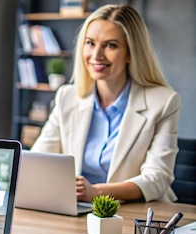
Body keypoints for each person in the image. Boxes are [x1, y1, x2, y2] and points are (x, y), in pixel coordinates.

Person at [31, 4, 180, 203]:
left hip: (135, 214)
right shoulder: (67, 97)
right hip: (76, 210)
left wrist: (97, 192)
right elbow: (38, 161)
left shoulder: (163, 102)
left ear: (130, 53)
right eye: (90, 43)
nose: (96, 55)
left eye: (110, 45)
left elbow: (157, 178)